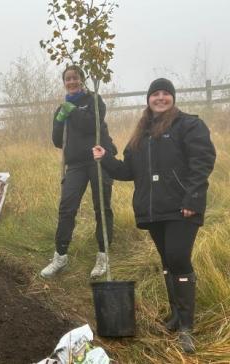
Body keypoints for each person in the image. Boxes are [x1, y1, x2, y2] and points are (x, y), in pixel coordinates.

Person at [93, 78, 216, 353]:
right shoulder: (142, 134)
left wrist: (193, 199)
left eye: (165, 93)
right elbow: (128, 172)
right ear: (148, 99)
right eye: (155, 94)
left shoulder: (189, 125)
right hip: (154, 210)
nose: (160, 98)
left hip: (182, 207)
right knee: (166, 260)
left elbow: (203, 161)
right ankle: (175, 317)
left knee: (178, 258)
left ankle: (186, 327)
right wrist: (106, 159)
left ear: (172, 97)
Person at [40, 65, 117, 279]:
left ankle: (103, 255)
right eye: (68, 79)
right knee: (67, 207)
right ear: (64, 82)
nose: (72, 82)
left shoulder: (94, 101)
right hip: (75, 164)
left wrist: (73, 113)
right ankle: (60, 256)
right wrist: (59, 120)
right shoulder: (62, 107)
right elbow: (58, 141)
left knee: (101, 207)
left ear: (82, 80)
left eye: (75, 78)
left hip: (98, 159)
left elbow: (93, 126)